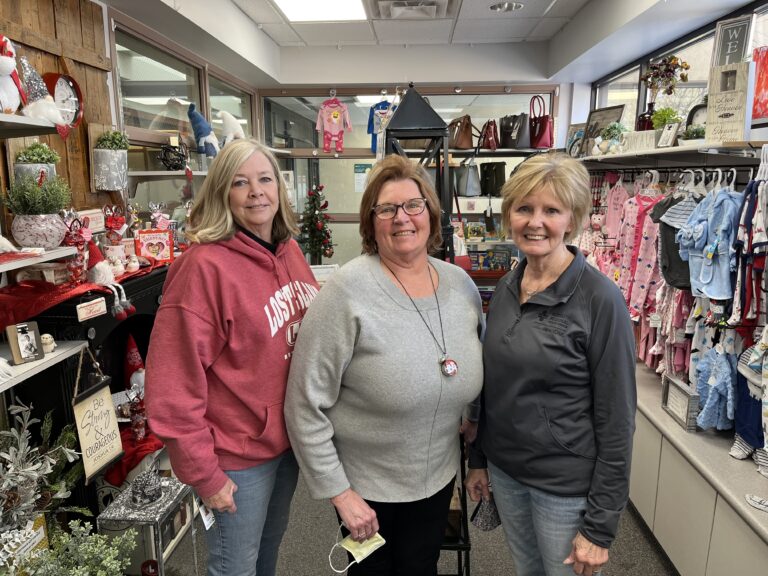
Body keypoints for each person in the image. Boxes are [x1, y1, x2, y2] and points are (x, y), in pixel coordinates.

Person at [285, 154, 483, 575]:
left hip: (435, 477)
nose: (402, 218)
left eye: (413, 205)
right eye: (386, 209)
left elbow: (477, 362)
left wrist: (472, 420)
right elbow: (304, 403)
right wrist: (340, 492)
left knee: (420, 567)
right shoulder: (347, 292)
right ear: (370, 223)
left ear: (429, 212)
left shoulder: (459, 285)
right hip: (366, 489)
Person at [145, 139, 319, 576]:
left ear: (279, 189)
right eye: (240, 183)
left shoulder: (289, 251)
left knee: (265, 559)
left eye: (265, 179)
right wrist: (205, 475)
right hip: (236, 459)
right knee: (233, 569)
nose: (256, 192)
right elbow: (171, 385)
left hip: (283, 446)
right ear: (223, 192)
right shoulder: (203, 267)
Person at [465, 153, 636, 576]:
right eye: (524, 208)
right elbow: (493, 386)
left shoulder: (600, 300)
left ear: (572, 219)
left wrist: (599, 526)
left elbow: (617, 419)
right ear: (509, 215)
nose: (535, 221)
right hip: (506, 472)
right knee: (528, 570)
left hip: (564, 486)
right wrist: (479, 458)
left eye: (551, 210)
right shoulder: (507, 285)